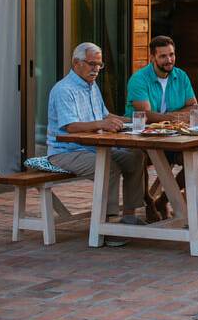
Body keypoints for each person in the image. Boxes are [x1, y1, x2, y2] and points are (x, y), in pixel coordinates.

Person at [47, 42, 147, 231]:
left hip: (94, 148)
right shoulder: (64, 90)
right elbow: (70, 126)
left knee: (136, 156)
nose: (96, 69)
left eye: (99, 65)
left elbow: (104, 115)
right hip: (66, 152)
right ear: (76, 63)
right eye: (92, 64)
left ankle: (129, 216)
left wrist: (134, 121)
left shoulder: (92, 86)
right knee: (108, 166)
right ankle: (106, 226)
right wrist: (102, 124)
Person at [126, 35, 198, 220]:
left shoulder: (180, 75)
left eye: (172, 55)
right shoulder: (139, 79)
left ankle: (164, 200)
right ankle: (148, 202)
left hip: (172, 138)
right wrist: (175, 117)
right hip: (142, 139)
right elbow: (146, 115)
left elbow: (194, 106)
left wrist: (168, 119)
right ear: (152, 57)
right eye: (163, 56)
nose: (169, 60)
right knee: (138, 159)